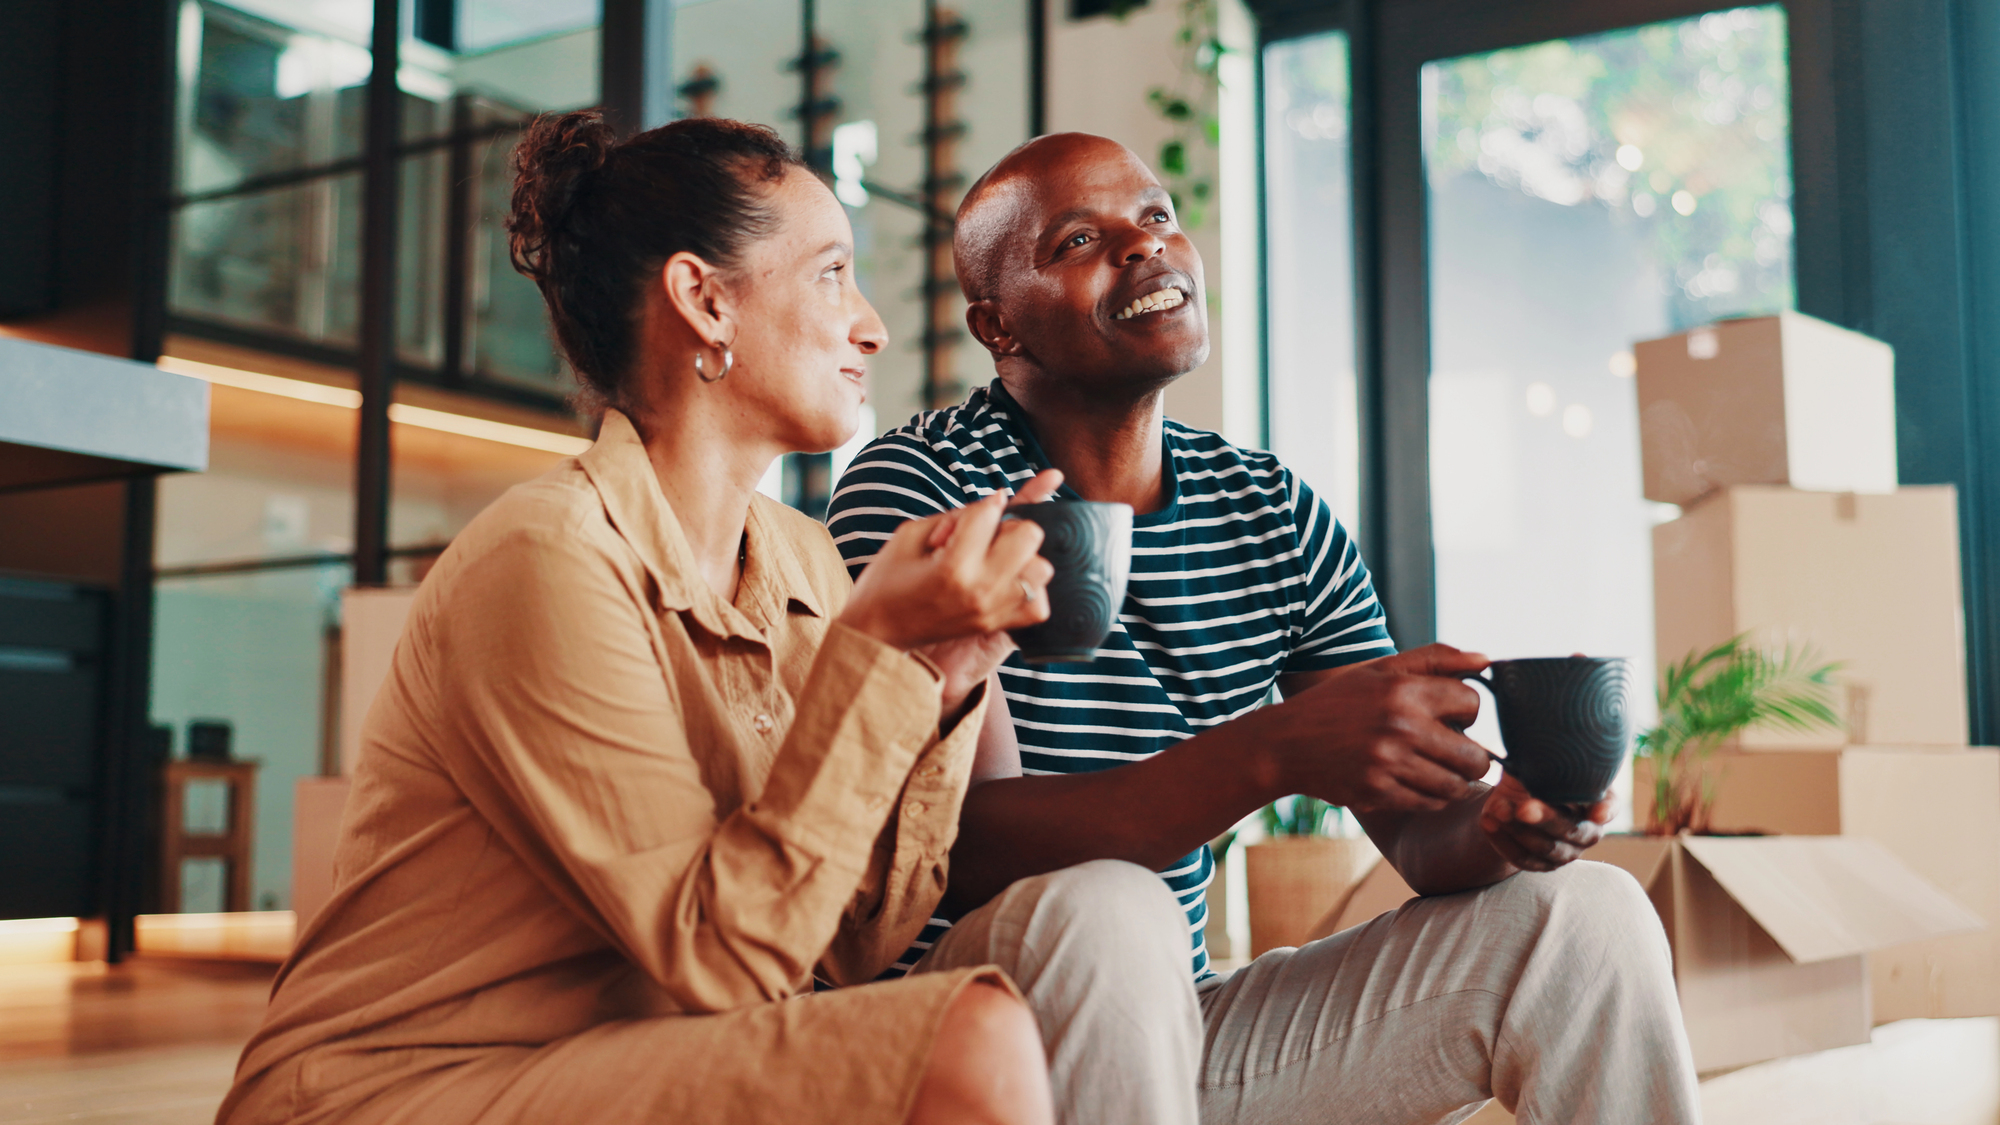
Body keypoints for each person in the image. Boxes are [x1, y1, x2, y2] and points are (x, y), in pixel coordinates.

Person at [825, 132, 1701, 1124]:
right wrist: (1272, 751)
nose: (1143, 246)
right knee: (1110, 911)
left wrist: (1503, 825)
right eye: (1078, 240)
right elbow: (955, 844)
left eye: (1155, 218)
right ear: (999, 326)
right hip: (959, 1033)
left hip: (1176, 1030)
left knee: (1584, 918)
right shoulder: (923, 488)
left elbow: (1419, 841)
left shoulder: (1267, 507)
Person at [217, 113, 1064, 1125]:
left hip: (634, 1061)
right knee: (966, 1037)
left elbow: (846, 942)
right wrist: (877, 654)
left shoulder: (799, 557)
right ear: (703, 301)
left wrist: (940, 672)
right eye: (832, 273)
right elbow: (723, 955)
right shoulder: (547, 554)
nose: (870, 325)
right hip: (405, 1088)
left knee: (976, 1014)